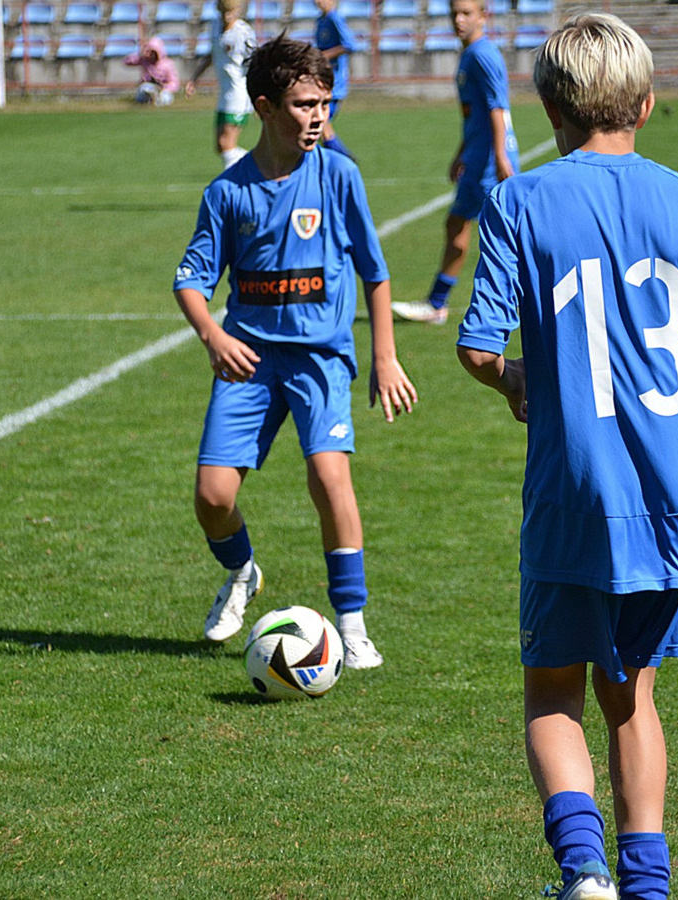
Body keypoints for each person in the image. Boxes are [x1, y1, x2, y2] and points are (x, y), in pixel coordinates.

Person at [455, 14, 678, 900]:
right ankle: (647, 887)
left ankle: (583, 872)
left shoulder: (519, 202)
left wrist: (517, 382)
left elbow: (477, 347)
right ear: (648, 104)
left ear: (548, 108)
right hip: (672, 496)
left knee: (552, 696)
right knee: (634, 697)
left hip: (574, 491)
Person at [173, 35, 418, 670]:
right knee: (212, 496)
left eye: (325, 104)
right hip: (250, 359)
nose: (318, 117)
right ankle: (242, 571)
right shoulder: (228, 193)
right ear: (264, 107)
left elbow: (375, 273)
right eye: (305, 105)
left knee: (330, 477)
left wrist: (385, 356)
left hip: (320, 358)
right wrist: (214, 335)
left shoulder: (338, 175)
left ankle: (353, 625)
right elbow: (191, 281)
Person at [392, 0, 518, 326]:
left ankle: (447, 304)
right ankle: (437, 303)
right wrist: (461, 152)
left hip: (488, 161)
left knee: (503, 235)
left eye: (466, 13)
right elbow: (475, 113)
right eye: (454, 14)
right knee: (458, 224)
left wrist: (500, 156)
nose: (458, 20)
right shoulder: (470, 54)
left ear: (483, 16)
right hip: (477, 156)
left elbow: (497, 107)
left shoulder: (483, 54)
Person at [186, 0, 257, 168]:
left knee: (227, 144)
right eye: (224, 12)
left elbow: (254, 63)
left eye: (230, 12)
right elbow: (212, 54)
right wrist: (195, 78)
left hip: (239, 94)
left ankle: (251, 171)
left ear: (238, 10)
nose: (227, 16)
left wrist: (257, 94)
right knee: (220, 146)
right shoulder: (216, 26)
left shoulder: (243, 32)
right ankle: (256, 166)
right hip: (224, 94)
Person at [313, 0, 357, 158]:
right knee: (321, 124)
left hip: (334, 82)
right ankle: (341, 157)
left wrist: (324, 56)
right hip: (322, 79)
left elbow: (350, 45)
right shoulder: (321, 20)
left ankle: (342, 157)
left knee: (319, 121)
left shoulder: (335, 18)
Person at [124, 36, 181, 106]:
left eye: (154, 52)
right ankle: (146, 101)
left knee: (165, 98)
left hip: (163, 89)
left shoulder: (168, 64)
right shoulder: (144, 61)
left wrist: (166, 88)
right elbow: (127, 62)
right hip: (149, 87)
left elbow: (174, 82)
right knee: (144, 90)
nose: (151, 55)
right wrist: (140, 54)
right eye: (150, 52)